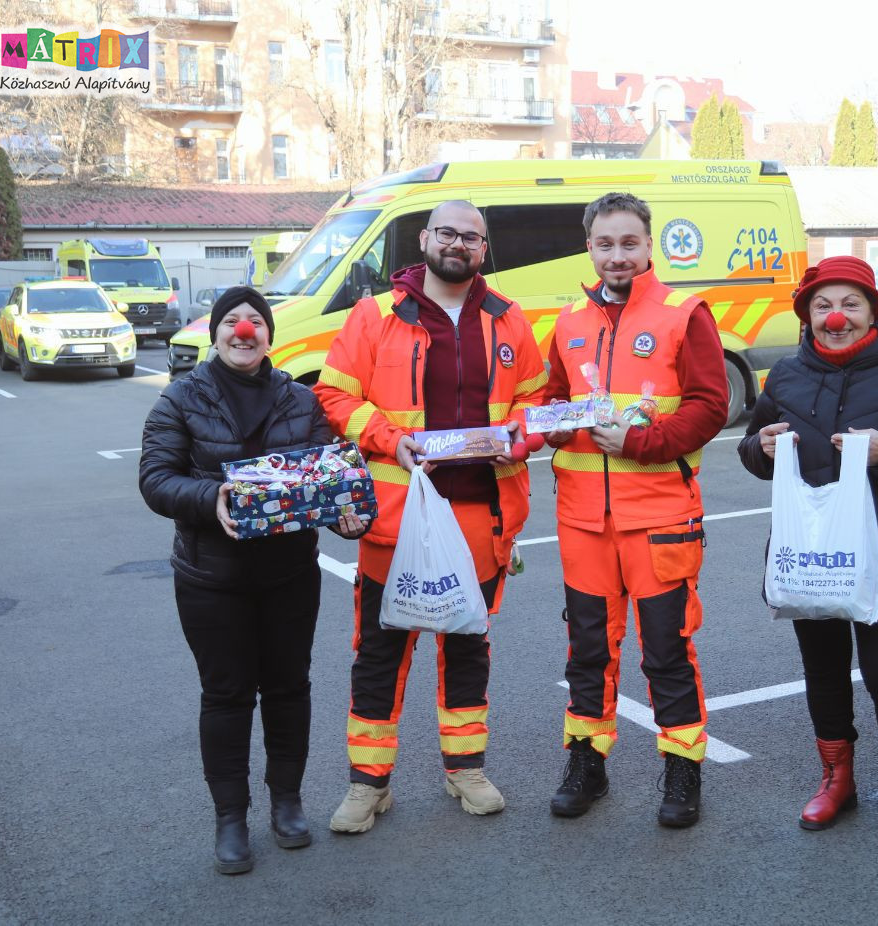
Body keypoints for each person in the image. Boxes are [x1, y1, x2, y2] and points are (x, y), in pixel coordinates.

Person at [314, 200, 546, 834]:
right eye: (448, 232)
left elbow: (534, 398)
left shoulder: (509, 320)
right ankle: (369, 785)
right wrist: (390, 440)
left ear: (483, 249)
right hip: (395, 520)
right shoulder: (374, 316)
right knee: (380, 654)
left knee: (467, 647)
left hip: (483, 514)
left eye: (472, 237)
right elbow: (334, 395)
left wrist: (519, 435)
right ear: (424, 239)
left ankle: (464, 769)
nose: (459, 244)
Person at [737, 255, 878, 869]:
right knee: (824, 672)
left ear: (871, 311)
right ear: (807, 315)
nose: (835, 317)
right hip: (811, 556)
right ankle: (837, 780)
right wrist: (758, 448)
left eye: (850, 304)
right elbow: (752, 451)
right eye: (822, 306)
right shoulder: (785, 373)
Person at [139, 286, 367, 875]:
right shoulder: (181, 398)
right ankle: (230, 818)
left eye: (255, 322)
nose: (245, 330)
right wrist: (210, 495)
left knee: (289, 687)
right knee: (226, 694)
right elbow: (156, 479)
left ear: (270, 335)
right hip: (211, 578)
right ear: (216, 333)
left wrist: (346, 513)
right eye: (232, 321)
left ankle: (286, 802)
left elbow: (324, 475)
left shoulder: (299, 399)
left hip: (290, 574)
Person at [543, 192, 729, 828]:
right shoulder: (567, 321)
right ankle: (587, 762)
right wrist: (544, 425)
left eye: (629, 243)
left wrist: (644, 443)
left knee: (665, 651)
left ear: (650, 246)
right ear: (589, 247)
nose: (616, 256)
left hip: (659, 518)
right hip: (582, 520)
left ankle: (682, 770)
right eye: (604, 244)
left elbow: (710, 406)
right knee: (588, 650)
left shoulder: (684, 313)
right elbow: (548, 401)